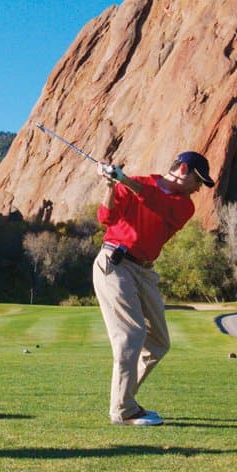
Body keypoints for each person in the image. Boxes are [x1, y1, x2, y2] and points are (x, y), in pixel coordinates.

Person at [93, 151, 215, 425]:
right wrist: (110, 185)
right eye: (198, 181)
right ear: (183, 169)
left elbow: (156, 203)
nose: (198, 189)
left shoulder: (184, 206)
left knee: (159, 342)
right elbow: (106, 218)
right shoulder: (136, 183)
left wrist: (123, 179)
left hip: (145, 271)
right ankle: (123, 410)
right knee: (131, 335)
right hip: (115, 263)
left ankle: (125, 400)